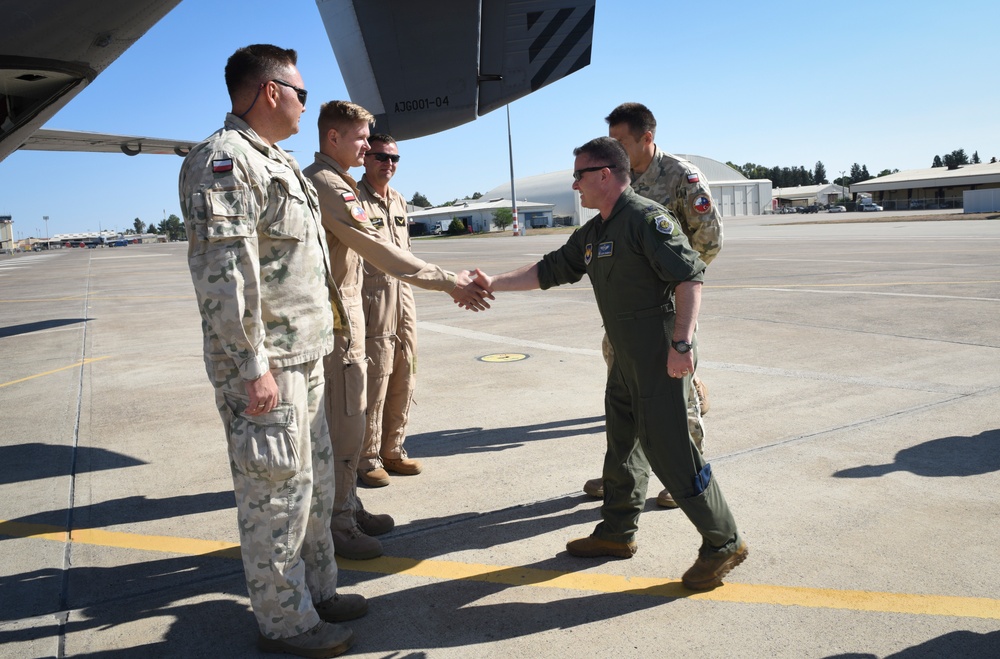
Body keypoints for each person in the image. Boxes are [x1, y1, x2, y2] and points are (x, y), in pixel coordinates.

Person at [475, 137, 747, 590]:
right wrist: (492, 283)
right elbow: (549, 269)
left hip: (658, 354)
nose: (574, 183)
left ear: (605, 175)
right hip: (624, 357)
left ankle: (723, 541)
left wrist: (681, 345)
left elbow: (689, 277)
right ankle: (617, 531)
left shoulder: (645, 219)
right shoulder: (597, 230)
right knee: (622, 443)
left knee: (673, 450)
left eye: (579, 174)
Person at [178, 44, 364, 658]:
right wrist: (252, 365)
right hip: (267, 369)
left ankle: (319, 592)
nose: (307, 104)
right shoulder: (224, 162)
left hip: (303, 358)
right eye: (303, 92)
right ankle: (285, 625)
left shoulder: (276, 161)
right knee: (275, 497)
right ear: (271, 91)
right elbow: (226, 276)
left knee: (308, 490)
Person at [303, 101, 492, 560]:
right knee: (347, 422)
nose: (370, 149)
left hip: (356, 312)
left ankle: (348, 505)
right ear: (334, 138)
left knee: (358, 410)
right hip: (342, 318)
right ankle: (339, 525)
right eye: (363, 140)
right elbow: (378, 250)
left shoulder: (340, 182)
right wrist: (449, 282)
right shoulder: (330, 185)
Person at [582, 102, 724, 509]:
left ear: (648, 137)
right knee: (624, 389)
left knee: (677, 389)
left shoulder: (681, 177)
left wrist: (671, 285)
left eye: (623, 142)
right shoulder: (616, 177)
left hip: (666, 307)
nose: (617, 150)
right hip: (626, 309)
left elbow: (708, 242)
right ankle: (625, 477)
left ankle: (688, 473)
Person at [356, 134, 422, 487]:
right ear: (366, 158)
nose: (389, 163)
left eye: (394, 158)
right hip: (373, 299)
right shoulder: (354, 199)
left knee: (405, 371)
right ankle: (366, 459)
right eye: (381, 156)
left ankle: (393, 450)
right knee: (375, 379)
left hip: (404, 298)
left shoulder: (398, 200)